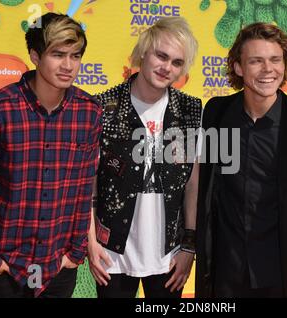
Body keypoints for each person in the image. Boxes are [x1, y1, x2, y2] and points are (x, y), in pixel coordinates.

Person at [0, 13, 102, 298]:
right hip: (7, 267)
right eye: (58, 54)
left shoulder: (89, 112)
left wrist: (74, 253)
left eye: (75, 56)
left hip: (58, 268)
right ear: (35, 56)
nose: (68, 65)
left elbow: (82, 188)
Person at [195, 22, 287, 298]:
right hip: (226, 270)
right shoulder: (217, 114)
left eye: (275, 59)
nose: (268, 69)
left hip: (281, 270)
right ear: (238, 67)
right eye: (256, 61)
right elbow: (209, 187)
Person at [87, 16, 202, 298]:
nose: (167, 67)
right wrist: (90, 242)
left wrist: (189, 246)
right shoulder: (103, 107)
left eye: (176, 62)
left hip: (170, 256)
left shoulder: (190, 109)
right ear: (143, 53)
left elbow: (192, 185)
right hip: (110, 254)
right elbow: (88, 183)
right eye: (161, 56)